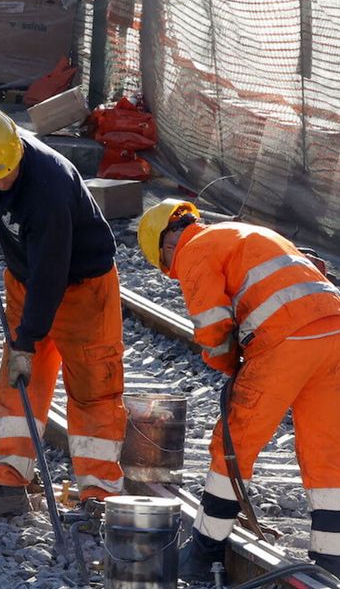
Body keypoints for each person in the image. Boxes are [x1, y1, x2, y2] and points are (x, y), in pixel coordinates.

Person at [138, 202, 340, 580]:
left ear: (167, 246)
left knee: (234, 443)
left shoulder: (194, 250)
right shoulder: (245, 233)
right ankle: (332, 559)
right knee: (327, 450)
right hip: (334, 332)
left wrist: (231, 364)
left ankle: (204, 552)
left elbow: (213, 328)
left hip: (286, 339)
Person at [0, 106, 127, 516]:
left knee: (92, 391)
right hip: (25, 280)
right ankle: (8, 484)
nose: (1, 181)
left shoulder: (48, 188)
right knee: (19, 384)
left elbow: (51, 277)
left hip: (82, 289)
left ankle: (100, 498)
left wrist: (27, 341)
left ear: (18, 148)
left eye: (6, 174)